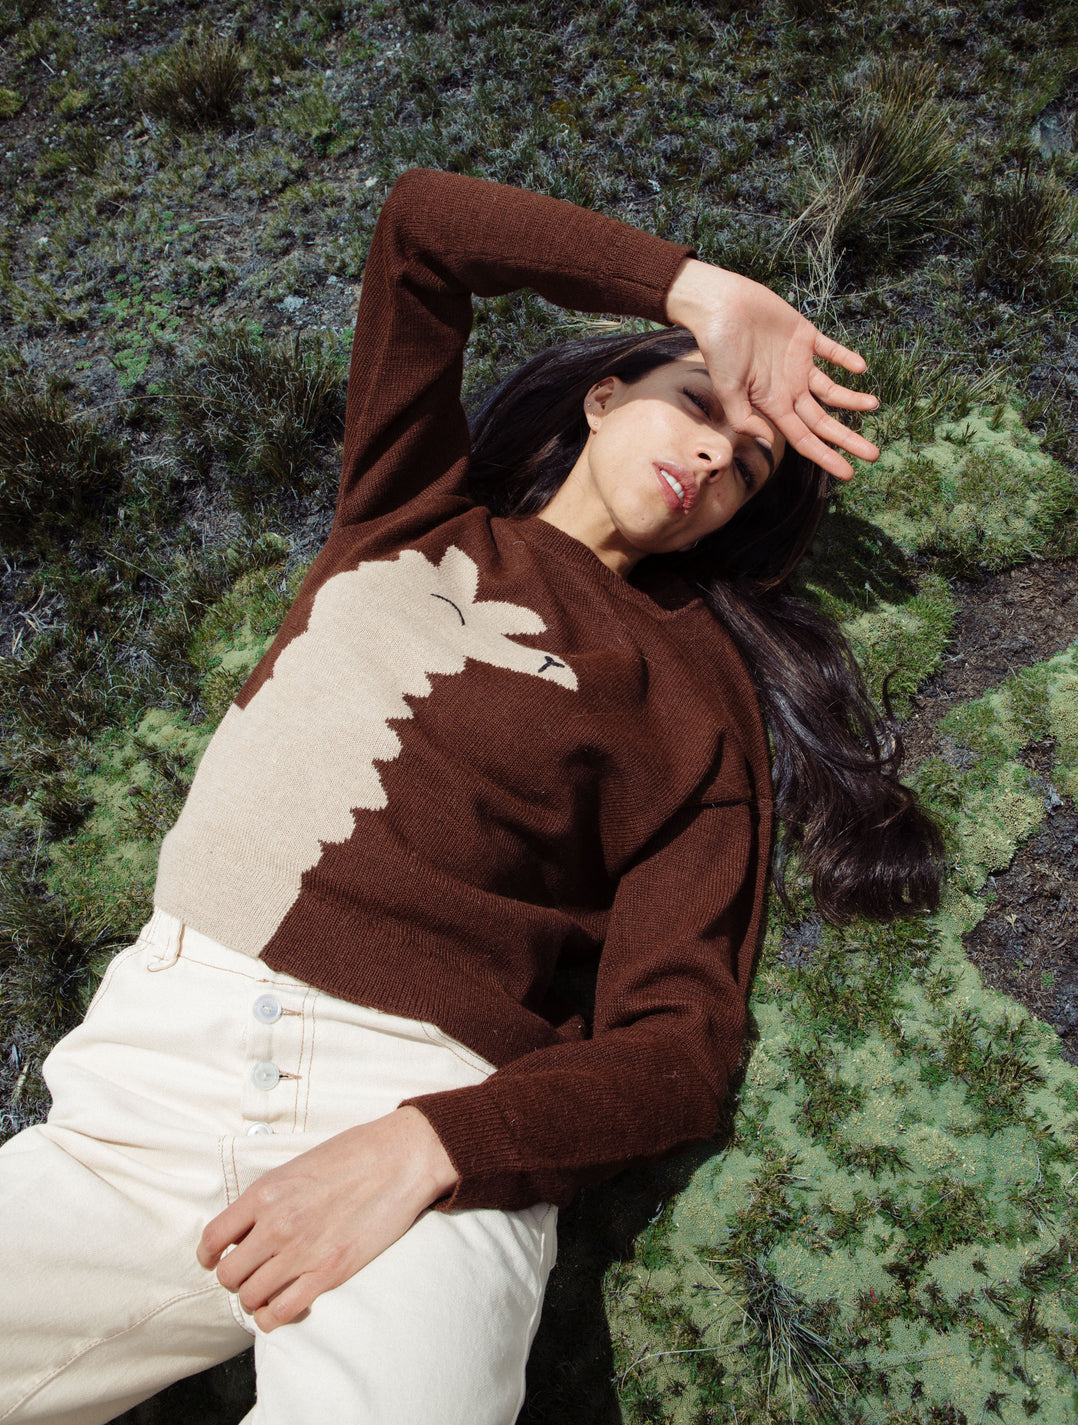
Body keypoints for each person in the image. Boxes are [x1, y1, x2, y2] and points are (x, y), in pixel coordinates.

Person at [0, 168, 942, 1424]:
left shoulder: (694, 695)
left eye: (748, 468)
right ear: (604, 396)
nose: (717, 453)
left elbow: (680, 1044)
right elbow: (422, 231)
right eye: (696, 403)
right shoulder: (407, 511)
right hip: (156, 1082)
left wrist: (435, 1145)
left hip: (427, 1133)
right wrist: (696, 292)